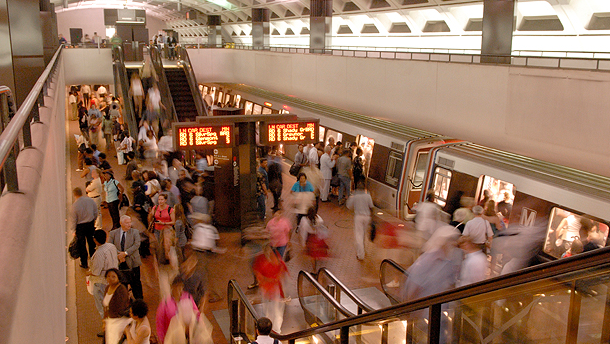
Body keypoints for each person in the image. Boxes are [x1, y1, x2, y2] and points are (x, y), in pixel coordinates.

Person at [401, 225, 461, 301]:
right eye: (451, 240)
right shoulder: (426, 261)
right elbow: (413, 288)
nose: (453, 243)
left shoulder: (449, 262)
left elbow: (451, 284)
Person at [252, 245, 288, 333]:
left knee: (276, 311)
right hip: (267, 289)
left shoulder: (277, 260)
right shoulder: (261, 259)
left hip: (274, 289)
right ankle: (272, 330)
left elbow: (282, 272)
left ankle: (275, 330)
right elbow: (258, 273)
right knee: (269, 309)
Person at [88, 230, 119, 327]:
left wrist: (88, 272)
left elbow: (96, 272)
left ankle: (107, 328)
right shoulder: (111, 246)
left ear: (95, 240)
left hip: (101, 282)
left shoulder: (99, 253)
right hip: (114, 280)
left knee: (103, 306)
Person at [109, 215, 143, 300]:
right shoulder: (113, 233)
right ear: (121, 223)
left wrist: (125, 253)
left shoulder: (135, 232)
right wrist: (119, 255)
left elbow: (136, 245)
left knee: (136, 282)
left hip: (133, 262)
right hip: (119, 262)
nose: (129, 224)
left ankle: (139, 300)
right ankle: (124, 300)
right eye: (127, 223)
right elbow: (111, 245)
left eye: (130, 222)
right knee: (122, 282)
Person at [156, 277, 200, 343]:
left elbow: (197, 314)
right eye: (177, 287)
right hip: (173, 338)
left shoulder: (187, 297)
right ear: (172, 287)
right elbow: (160, 324)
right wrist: (162, 340)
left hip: (189, 337)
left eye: (181, 287)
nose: (179, 290)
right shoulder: (165, 303)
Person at [346, 181, 374, 261]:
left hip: (358, 217)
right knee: (363, 234)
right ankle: (363, 249)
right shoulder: (368, 195)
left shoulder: (355, 196)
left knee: (359, 235)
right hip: (367, 217)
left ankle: (360, 254)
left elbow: (349, 206)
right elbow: (371, 206)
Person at [103, 268, 131, 344]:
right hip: (110, 322)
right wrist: (105, 321)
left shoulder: (121, 290)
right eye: (108, 276)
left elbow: (121, 308)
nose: (110, 278)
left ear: (118, 278)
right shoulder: (107, 288)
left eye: (113, 276)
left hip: (118, 322)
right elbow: (106, 306)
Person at [72, 187, 98, 268]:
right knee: (91, 243)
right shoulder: (90, 200)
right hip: (90, 224)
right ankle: (94, 261)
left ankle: (84, 263)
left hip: (80, 227)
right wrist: (93, 220)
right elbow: (96, 212)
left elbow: (74, 219)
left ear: (74, 194)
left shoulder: (75, 205)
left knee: (82, 245)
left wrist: (73, 230)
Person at [300, 207, 329, 271]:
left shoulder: (304, 220)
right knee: (318, 251)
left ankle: (314, 269)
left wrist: (303, 244)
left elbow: (303, 233)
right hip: (317, 236)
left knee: (312, 255)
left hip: (310, 238)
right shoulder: (318, 218)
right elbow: (322, 225)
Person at [149, 193, 175, 262]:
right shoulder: (155, 208)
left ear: (165, 200)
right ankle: (161, 259)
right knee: (158, 245)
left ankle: (167, 259)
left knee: (166, 246)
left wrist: (164, 223)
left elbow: (173, 221)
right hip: (157, 229)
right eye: (159, 199)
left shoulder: (170, 210)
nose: (160, 201)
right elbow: (151, 216)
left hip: (166, 230)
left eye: (162, 200)